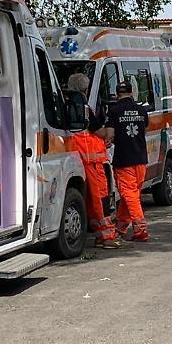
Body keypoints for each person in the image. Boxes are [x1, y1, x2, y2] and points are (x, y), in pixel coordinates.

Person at [65, 73, 118, 249]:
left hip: (80, 156)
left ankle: (97, 227)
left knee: (91, 199)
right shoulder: (83, 107)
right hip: (92, 159)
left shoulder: (68, 104)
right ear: (85, 89)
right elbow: (98, 131)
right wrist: (109, 133)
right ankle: (107, 235)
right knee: (101, 198)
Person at [103, 81, 150, 241]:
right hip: (141, 159)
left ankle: (141, 229)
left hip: (124, 160)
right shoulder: (141, 110)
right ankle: (121, 227)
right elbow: (145, 128)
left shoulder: (114, 111)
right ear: (131, 93)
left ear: (117, 94)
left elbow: (109, 135)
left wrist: (108, 140)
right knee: (131, 195)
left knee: (129, 194)